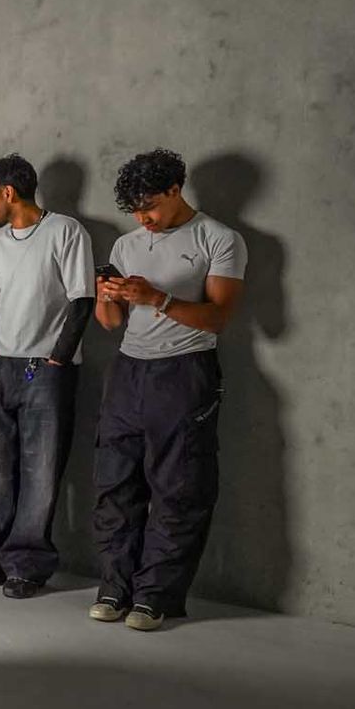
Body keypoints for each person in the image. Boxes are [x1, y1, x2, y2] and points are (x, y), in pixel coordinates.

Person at [90, 148, 246, 630]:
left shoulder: (219, 238)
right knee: (115, 483)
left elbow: (219, 317)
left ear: (176, 190)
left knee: (178, 487)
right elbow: (110, 323)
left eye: (151, 208)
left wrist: (157, 297)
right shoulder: (126, 244)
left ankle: (154, 596)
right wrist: (108, 296)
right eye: (136, 211)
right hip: (128, 371)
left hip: (185, 371)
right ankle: (115, 587)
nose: (144, 220)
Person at [0, 153, 95, 598]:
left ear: (9, 194)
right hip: (1, 367)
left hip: (47, 369)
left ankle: (26, 567)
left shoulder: (66, 232)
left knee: (40, 471)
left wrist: (59, 357)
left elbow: (82, 299)